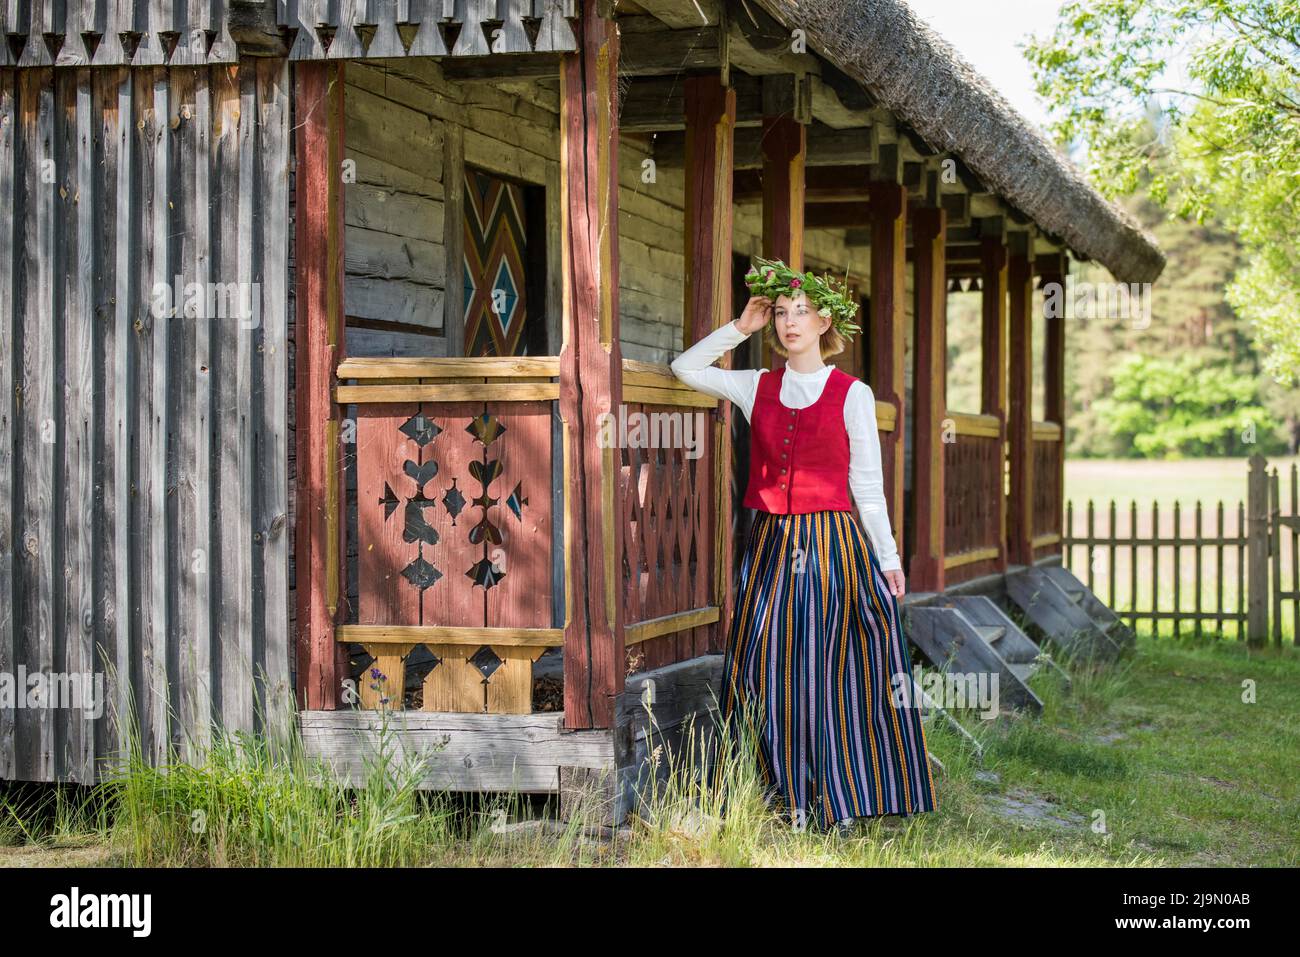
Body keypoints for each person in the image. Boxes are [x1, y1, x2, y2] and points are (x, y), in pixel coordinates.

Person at [670, 258, 938, 833]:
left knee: (825, 668)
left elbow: (868, 486)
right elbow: (684, 367)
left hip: (832, 544)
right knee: (763, 663)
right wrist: (739, 327)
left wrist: (888, 560)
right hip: (769, 542)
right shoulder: (754, 386)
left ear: (824, 323)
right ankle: (774, 790)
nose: (791, 323)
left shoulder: (852, 394)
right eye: (783, 314)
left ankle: (836, 798)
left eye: (803, 313)